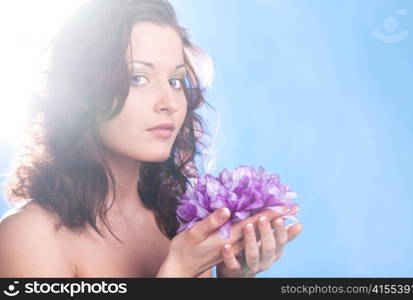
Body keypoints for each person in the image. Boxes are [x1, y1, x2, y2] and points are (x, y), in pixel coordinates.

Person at [0, 0, 302, 278]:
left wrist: (232, 279)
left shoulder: (177, 221)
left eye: (175, 80)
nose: (169, 101)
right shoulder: (29, 236)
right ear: (80, 93)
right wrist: (177, 272)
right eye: (138, 78)